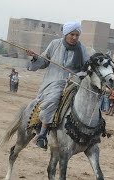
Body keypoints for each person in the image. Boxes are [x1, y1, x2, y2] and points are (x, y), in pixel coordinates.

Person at [26, 21, 90, 149]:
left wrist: (81, 74)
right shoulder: (55, 44)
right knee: (53, 99)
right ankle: (42, 134)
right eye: (72, 34)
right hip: (55, 81)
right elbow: (44, 61)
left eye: (77, 35)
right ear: (66, 34)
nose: (75, 37)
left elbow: (86, 66)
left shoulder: (82, 49)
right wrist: (35, 58)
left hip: (75, 82)